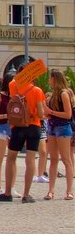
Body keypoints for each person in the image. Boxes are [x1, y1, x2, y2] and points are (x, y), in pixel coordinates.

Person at [0, 62, 47, 204]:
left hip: (17, 127)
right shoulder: (37, 91)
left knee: (11, 158)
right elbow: (41, 114)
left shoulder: (14, 86)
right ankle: (26, 195)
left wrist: (19, 77)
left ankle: (7, 193)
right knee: (30, 160)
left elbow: (14, 93)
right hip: (34, 127)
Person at [43, 69, 73, 201]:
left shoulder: (64, 94)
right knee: (53, 159)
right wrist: (46, 112)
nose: (49, 81)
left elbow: (68, 114)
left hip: (63, 127)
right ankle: (51, 191)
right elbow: (49, 113)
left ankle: (69, 191)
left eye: (50, 78)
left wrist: (51, 112)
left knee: (66, 160)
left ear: (55, 79)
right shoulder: (52, 96)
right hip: (52, 127)